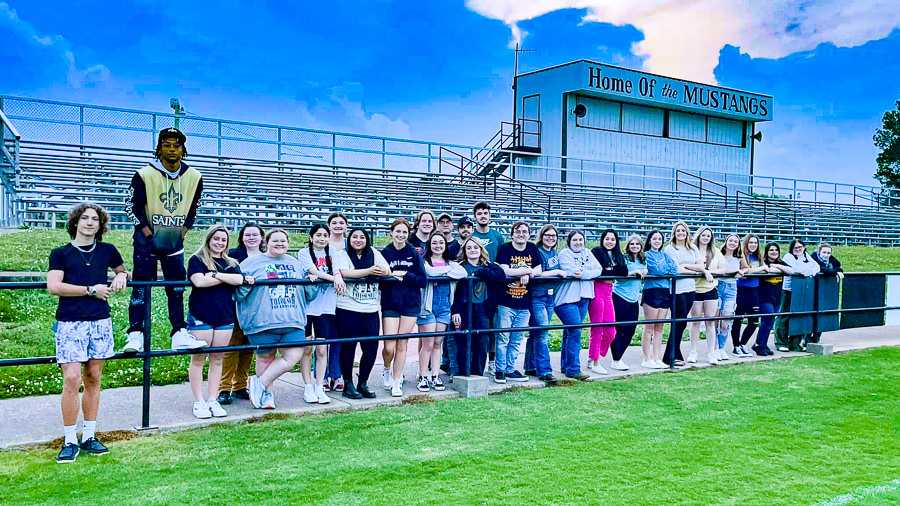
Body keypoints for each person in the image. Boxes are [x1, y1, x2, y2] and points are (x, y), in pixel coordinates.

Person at [47, 203, 128, 463]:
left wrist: (122, 276)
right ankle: (70, 439)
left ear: (100, 224)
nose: (90, 222)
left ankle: (90, 436)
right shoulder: (60, 253)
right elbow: (54, 286)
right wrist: (90, 290)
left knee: (93, 377)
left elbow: (122, 270)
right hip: (71, 322)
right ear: (76, 222)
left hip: (100, 321)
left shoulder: (108, 250)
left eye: (95, 219)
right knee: (72, 378)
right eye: (85, 218)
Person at [123, 127, 206, 353]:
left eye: (176, 145)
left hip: (174, 243)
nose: (171, 149)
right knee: (141, 288)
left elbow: (195, 207)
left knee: (176, 288)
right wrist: (146, 231)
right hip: (145, 244)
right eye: (166, 145)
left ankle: (178, 332)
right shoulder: (144, 174)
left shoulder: (194, 176)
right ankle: (135, 334)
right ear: (159, 148)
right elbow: (131, 206)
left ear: (183, 149)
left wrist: (184, 230)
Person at [237, 229, 312, 409]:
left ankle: (259, 384)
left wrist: (312, 281)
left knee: (293, 355)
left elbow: (308, 294)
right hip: (262, 320)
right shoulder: (251, 263)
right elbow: (238, 293)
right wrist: (246, 283)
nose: (279, 244)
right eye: (275, 241)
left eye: (283, 241)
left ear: (288, 243)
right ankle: (267, 396)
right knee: (265, 358)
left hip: (292, 319)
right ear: (266, 242)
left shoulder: (295, 263)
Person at [186, 225, 249, 419]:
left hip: (225, 316)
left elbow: (239, 280)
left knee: (218, 358)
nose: (219, 243)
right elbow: (199, 282)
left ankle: (212, 400)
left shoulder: (231, 261)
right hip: (201, 314)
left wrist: (214, 275)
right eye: (216, 239)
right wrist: (225, 279)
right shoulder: (196, 259)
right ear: (208, 239)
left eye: (223, 240)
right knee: (198, 359)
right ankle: (199, 402)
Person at [335, 228, 391, 399]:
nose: (358, 240)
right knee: (348, 347)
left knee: (371, 348)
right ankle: (348, 383)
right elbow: (345, 272)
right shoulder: (341, 254)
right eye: (354, 237)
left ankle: (363, 382)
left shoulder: (373, 252)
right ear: (349, 239)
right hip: (348, 308)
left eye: (362, 237)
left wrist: (379, 270)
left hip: (370, 309)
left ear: (367, 239)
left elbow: (387, 270)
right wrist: (369, 271)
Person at [216, 222, 264, 405]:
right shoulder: (232, 256)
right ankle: (224, 388)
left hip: (257, 308)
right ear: (242, 237)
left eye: (255, 234)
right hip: (236, 306)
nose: (251, 238)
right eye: (247, 235)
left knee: (248, 348)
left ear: (261, 237)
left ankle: (240, 385)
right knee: (232, 347)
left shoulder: (267, 256)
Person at [298, 224, 345, 403]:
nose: (322, 238)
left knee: (322, 349)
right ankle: (307, 386)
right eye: (318, 235)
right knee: (307, 349)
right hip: (309, 307)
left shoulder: (332, 251)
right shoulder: (304, 253)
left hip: (327, 307)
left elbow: (337, 270)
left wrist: (338, 276)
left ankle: (320, 386)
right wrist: (335, 279)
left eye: (325, 235)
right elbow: (314, 271)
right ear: (311, 237)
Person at [380, 218, 426, 397]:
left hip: (410, 304)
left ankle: (396, 379)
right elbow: (378, 279)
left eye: (404, 232)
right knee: (389, 346)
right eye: (397, 231)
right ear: (391, 232)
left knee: (402, 344)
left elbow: (422, 280)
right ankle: (386, 368)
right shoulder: (384, 253)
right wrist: (391, 275)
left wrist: (405, 275)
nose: (400, 235)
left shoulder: (413, 253)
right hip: (390, 303)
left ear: (408, 235)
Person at [493, 221, 543, 383]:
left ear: (529, 234)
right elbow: (504, 269)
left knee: (517, 338)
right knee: (503, 337)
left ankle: (510, 368)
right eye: (517, 231)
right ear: (512, 234)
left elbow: (539, 269)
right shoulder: (505, 249)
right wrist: (527, 271)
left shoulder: (532, 249)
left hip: (524, 302)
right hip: (506, 301)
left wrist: (529, 273)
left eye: (524, 231)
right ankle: (499, 370)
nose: (521, 234)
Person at [417, 233, 466, 391]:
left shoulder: (451, 262)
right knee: (428, 343)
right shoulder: (424, 262)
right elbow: (429, 273)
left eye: (441, 243)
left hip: (445, 307)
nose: (438, 245)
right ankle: (423, 376)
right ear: (429, 245)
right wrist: (448, 272)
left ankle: (435, 375)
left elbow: (462, 273)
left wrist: (446, 270)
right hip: (428, 307)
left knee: (438, 343)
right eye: (434, 243)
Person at [451, 237, 505, 376]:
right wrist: (455, 311)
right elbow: (454, 292)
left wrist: (482, 272)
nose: (472, 250)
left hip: (483, 308)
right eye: (469, 248)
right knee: (463, 343)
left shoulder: (488, 265)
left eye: (475, 247)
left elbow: (501, 276)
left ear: (481, 249)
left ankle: (477, 374)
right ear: (464, 250)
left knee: (481, 342)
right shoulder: (459, 266)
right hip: (463, 308)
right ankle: (463, 374)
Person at [556, 230, 604, 380]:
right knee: (575, 331)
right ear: (569, 242)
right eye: (575, 240)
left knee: (569, 332)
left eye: (580, 239)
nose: (578, 242)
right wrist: (586, 272)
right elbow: (571, 271)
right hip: (567, 299)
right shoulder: (564, 253)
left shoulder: (588, 252)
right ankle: (574, 369)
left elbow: (599, 270)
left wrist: (585, 274)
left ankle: (566, 366)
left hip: (584, 297)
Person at [524, 225, 565, 380]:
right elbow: (537, 273)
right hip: (537, 297)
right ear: (542, 236)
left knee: (535, 333)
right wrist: (557, 272)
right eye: (547, 235)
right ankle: (545, 371)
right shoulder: (537, 251)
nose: (551, 238)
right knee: (542, 334)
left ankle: (530, 366)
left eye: (553, 235)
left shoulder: (553, 252)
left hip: (550, 297)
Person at [663, 221, 706, 367]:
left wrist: (686, 266)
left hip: (690, 289)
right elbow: (676, 270)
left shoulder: (692, 247)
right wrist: (695, 270)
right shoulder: (670, 248)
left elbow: (702, 266)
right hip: (676, 290)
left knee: (682, 322)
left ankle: (672, 353)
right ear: (674, 233)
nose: (681, 233)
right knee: (679, 322)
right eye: (678, 231)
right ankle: (672, 355)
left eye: (683, 230)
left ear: (687, 232)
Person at [588, 229, 627, 374]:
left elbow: (623, 271)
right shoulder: (596, 251)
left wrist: (609, 271)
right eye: (607, 239)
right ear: (602, 239)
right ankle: (595, 361)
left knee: (611, 331)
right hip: (597, 290)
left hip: (609, 292)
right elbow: (599, 273)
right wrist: (611, 271)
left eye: (612, 239)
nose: (610, 241)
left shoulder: (617, 254)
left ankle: (595, 356)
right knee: (597, 327)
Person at [440, 216, 475, 376]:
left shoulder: (476, 246)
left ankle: (466, 368)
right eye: (462, 227)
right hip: (453, 295)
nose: (465, 230)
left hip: (471, 298)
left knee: (468, 336)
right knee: (451, 335)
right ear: (458, 229)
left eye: (468, 227)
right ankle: (450, 366)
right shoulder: (452, 247)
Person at [471, 202, 503, 373]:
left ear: (490, 216)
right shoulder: (472, 234)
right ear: (475, 216)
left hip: (492, 285)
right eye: (480, 213)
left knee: (492, 324)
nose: (483, 216)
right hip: (475, 285)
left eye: (486, 213)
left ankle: (492, 358)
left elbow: (500, 261)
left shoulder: (497, 236)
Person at [774, 239, 821, 352]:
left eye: (800, 247)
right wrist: (807, 271)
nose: (798, 249)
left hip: (802, 290)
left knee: (799, 315)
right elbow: (794, 270)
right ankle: (781, 342)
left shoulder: (806, 256)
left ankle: (795, 343)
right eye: (795, 248)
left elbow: (816, 268)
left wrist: (808, 271)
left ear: (804, 247)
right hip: (789, 290)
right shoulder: (788, 257)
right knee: (785, 315)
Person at [642, 230, 679, 369]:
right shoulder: (646, 255)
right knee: (650, 326)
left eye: (659, 239)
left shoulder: (665, 255)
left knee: (660, 327)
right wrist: (664, 271)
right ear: (650, 240)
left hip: (665, 291)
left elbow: (674, 269)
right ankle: (647, 358)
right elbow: (656, 269)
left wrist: (664, 270)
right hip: (652, 291)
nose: (657, 241)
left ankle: (657, 357)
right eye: (654, 238)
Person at [611, 234, 647, 371]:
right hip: (620, 296)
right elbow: (619, 276)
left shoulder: (642, 259)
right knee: (619, 329)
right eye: (632, 244)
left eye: (637, 244)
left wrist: (644, 271)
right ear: (628, 245)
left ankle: (619, 357)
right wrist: (634, 272)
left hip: (633, 298)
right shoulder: (623, 258)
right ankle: (616, 359)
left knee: (631, 329)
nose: (635, 246)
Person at [689, 226, 721, 364]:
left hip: (710, 289)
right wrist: (703, 272)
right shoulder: (691, 250)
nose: (706, 238)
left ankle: (711, 353)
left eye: (708, 236)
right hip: (695, 289)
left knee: (710, 322)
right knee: (695, 322)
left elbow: (722, 269)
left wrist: (710, 272)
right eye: (703, 235)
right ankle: (693, 351)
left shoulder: (716, 252)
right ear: (698, 235)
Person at [324, 212, 349, 391]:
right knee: (322, 338)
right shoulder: (323, 243)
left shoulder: (351, 243)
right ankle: (323, 376)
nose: (338, 225)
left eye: (341, 222)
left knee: (339, 337)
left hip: (346, 296)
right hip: (325, 295)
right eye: (334, 222)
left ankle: (336, 374)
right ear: (329, 225)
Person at [755, 243, 793, 356]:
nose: (774, 252)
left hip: (777, 296)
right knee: (768, 319)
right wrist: (779, 269)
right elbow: (769, 270)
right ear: (767, 251)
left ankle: (763, 344)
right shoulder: (763, 261)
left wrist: (778, 267)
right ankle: (759, 345)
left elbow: (791, 271)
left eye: (776, 250)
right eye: (771, 250)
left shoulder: (780, 262)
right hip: (764, 296)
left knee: (770, 321)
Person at [731, 234, 766, 357]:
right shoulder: (741, 256)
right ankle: (735, 346)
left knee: (754, 321)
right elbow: (745, 273)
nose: (753, 245)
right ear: (746, 243)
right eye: (750, 242)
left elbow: (757, 271)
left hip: (754, 291)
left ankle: (743, 343)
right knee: (738, 320)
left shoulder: (759, 257)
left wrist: (759, 268)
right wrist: (761, 269)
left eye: (755, 243)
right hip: (741, 290)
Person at [713, 234, 744, 358]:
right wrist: (735, 271)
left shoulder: (739, 258)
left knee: (726, 319)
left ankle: (721, 348)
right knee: (715, 320)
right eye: (730, 240)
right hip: (718, 286)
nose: (732, 243)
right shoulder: (718, 255)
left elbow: (746, 269)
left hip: (731, 288)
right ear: (726, 241)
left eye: (735, 241)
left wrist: (741, 272)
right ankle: (714, 348)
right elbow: (720, 270)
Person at [810, 243, 844, 343]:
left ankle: (816, 338)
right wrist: (835, 272)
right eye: (824, 252)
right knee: (811, 313)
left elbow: (838, 265)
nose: (826, 255)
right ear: (819, 252)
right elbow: (821, 269)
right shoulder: (813, 258)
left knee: (822, 312)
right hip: (812, 288)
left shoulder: (830, 259)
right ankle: (807, 338)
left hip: (823, 290)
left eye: (828, 253)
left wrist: (838, 270)